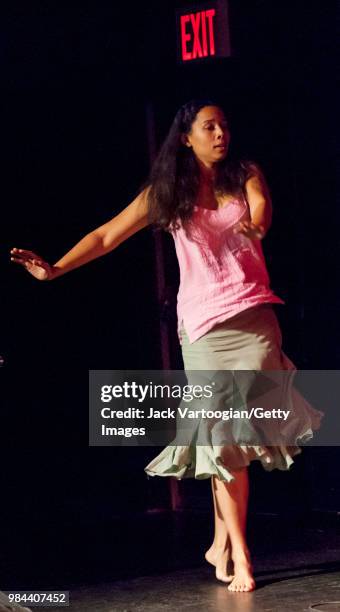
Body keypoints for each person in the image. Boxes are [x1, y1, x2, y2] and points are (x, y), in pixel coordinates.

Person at [10, 99, 322, 593]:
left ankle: (221, 541)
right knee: (224, 443)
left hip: (254, 319)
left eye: (224, 125)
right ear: (185, 136)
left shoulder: (244, 171)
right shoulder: (165, 193)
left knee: (242, 437)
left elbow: (260, 203)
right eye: (209, 126)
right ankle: (241, 553)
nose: (221, 133)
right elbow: (106, 235)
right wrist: (55, 269)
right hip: (202, 328)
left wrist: (257, 223)